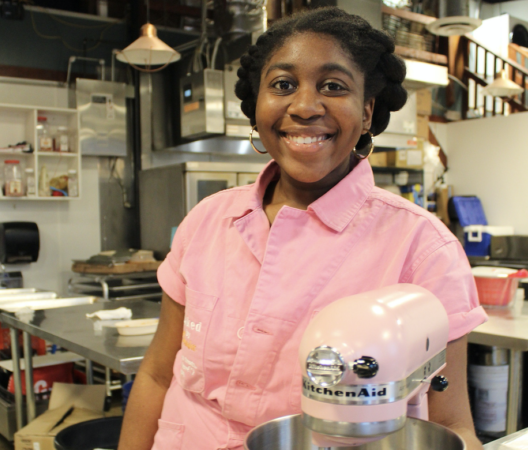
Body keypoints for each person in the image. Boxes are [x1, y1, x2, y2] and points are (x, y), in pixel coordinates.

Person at [118, 7, 487, 450]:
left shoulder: (423, 249)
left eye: (333, 86)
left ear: (367, 111)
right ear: (257, 105)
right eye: (283, 85)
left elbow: (453, 426)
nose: (305, 106)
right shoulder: (207, 222)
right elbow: (158, 375)